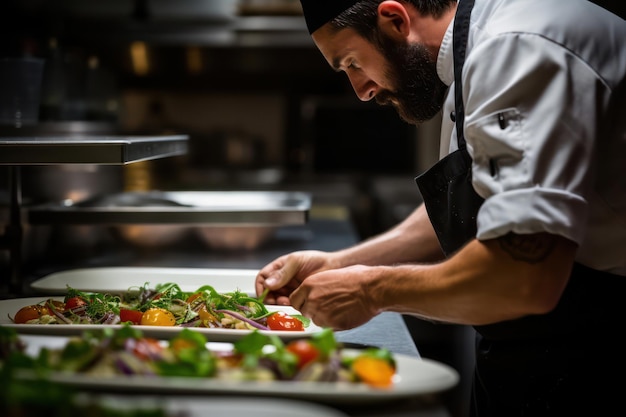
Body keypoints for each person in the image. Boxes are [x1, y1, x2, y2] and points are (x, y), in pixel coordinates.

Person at [255, 1, 626, 415]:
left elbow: (525, 275)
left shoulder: (517, 48)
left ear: (395, 20)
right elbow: (480, 209)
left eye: (353, 63)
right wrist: (340, 264)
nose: (362, 91)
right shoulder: (473, 54)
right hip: (545, 353)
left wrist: (370, 290)